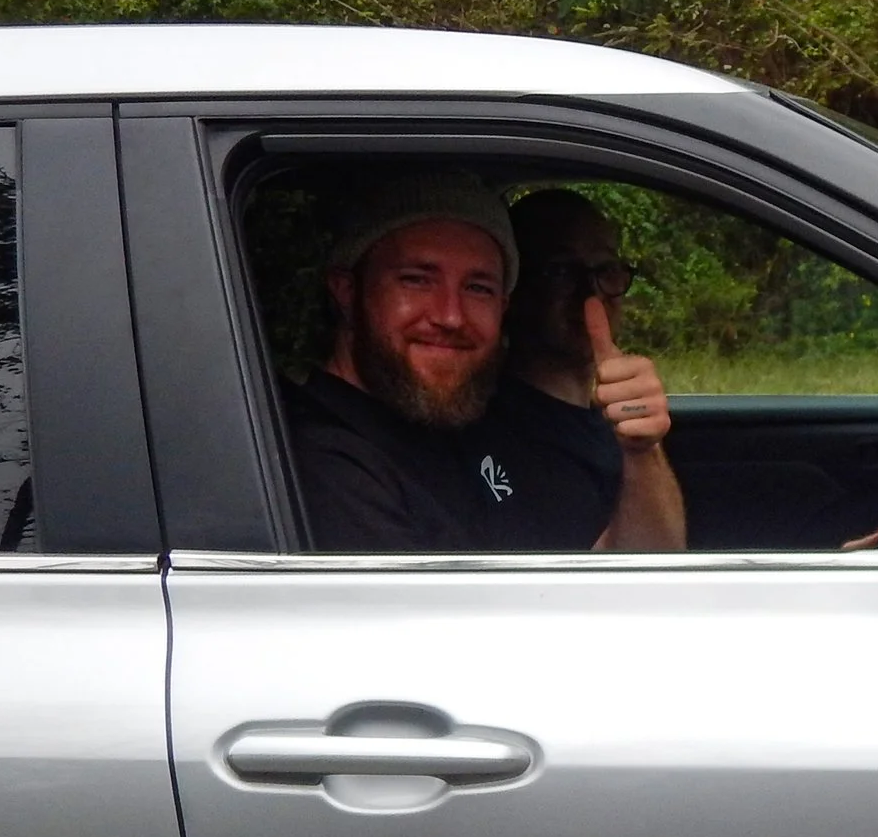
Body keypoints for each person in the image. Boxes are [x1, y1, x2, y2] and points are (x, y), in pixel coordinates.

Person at [281, 172, 678, 552]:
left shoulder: (447, 422)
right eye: (417, 279)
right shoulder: (325, 465)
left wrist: (640, 453)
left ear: (504, 307)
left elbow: (622, 570)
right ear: (347, 292)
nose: (451, 316)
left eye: (477, 288)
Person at [496, 189, 687, 551]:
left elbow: (663, 570)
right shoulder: (497, 432)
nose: (590, 293)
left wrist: (642, 449)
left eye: (606, 269)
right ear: (515, 288)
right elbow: (627, 580)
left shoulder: (606, 418)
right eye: (560, 271)